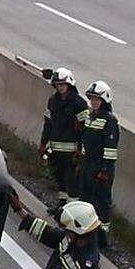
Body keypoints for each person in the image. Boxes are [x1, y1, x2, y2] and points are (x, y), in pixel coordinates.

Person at [77, 81, 118, 249]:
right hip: (88, 165)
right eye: (92, 99)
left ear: (104, 100)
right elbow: (85, 140)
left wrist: (105, 170)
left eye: (97, 99)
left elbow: (110, 149)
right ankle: (85, 233)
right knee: (85, 199)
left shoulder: (109, 121)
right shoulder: (90, 117)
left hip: (101, 168)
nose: (93, 102)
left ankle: (102, 239)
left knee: (101, 203)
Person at [39, 68, 89, 203]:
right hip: (55, 149)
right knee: (59, 178)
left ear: (69, 84)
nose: (60, 88)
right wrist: (43, 143)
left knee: (71, 180)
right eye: (57, 85)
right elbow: (48, 124)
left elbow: (84, 128)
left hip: (71, 152)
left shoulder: (79, 103)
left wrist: (81, 149)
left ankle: (72, 210)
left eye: (62, 85)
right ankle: (61, 206)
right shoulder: (52, 101)